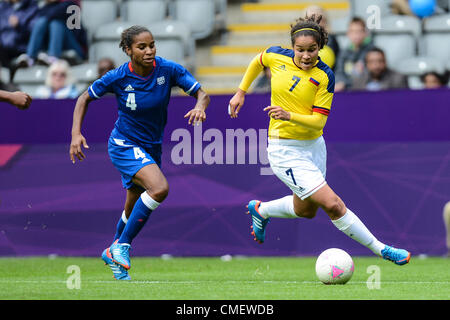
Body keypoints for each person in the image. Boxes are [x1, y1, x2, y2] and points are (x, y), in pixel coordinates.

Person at [228, 14, 411, 266]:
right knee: (333, 205)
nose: (305, 56)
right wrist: (241, 92)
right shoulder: (275, 56)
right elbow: (258, 61)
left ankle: (261, 210)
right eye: (300, 50)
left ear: (320, 48)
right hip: (284, 148)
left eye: (311, 50)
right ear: (292, 47)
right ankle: (382, 249)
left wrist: (288, 114)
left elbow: (319, 122)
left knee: (306, 210)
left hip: (314, 146)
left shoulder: (324, 76)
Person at [69, 25, 210, 280]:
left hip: (152, 146)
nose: (149, 51)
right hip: (124, 143)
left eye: (152, 45)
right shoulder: (118, 76)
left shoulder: (167, 69)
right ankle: (122, 247)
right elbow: (83, 99)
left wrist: (200, 105)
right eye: (141, 47)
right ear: (128, 50)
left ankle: (113, 248)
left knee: (133, 205)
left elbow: (202, 93)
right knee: (159, 189)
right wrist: (76, 134)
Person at [14, 0, 87, 69]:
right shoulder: (45, 8)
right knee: (41, 22)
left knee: (55, 23)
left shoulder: (71, 5)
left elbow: (55, 13)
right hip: (55, 47)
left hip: (76, 47)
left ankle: (53, 56)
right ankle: (30, 57)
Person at [0, 0, 39, 81]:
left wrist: (19, 26)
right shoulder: (3, 7)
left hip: (22, 47)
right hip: (4, 47)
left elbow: (35, 33)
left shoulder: (32, 7)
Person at [334, 17, 374, 92]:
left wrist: (345, 83)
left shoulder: (371, 51)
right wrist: (342, 83)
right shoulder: (343, 53)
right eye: (353, 31)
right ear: (348, 33)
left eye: (359, 31)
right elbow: (339, 72)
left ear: (365, 33)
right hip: (346, 90)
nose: (356, 35)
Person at [305, 5, 339, 70]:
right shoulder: (301, 39)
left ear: (324, 21)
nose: (315, 22)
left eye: (319, 19)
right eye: (311, 19)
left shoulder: (331, 40)